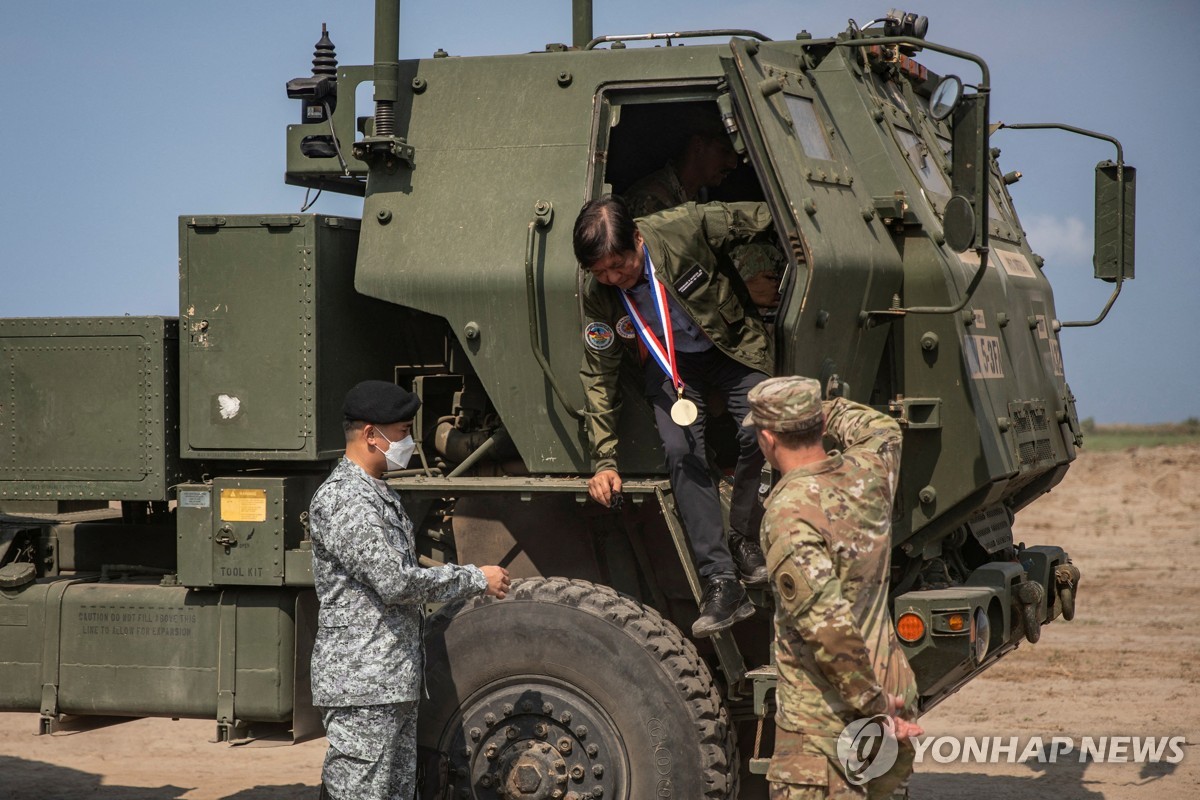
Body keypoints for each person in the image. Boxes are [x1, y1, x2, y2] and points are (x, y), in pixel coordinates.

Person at [575, 194, 773, 638]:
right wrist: (603, 460)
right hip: (671, 365)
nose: (611, 278)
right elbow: (599, 372)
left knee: (761, 425)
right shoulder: (599, 294)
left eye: (618, 266)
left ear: (639, 240)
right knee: (681, 449)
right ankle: (721, 581)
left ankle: (744, 537)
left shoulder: (684, 227)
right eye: (599, 272)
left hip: (730, 347)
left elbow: (760, 217)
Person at [308, 379, 511, 800]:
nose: (409, 442)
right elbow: (395, 581)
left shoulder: (377, 493)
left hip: (388, 682)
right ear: (370, 435)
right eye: (401, 432)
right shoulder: (346, 499)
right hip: (361, 685)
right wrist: (474, 578)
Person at [745, 376, 923, 799]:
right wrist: (824, 407)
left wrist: (874, 707)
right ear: (819, 424)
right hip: (891, 690)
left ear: (768, 439)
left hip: (826, 725)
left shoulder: (789, 513)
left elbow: (829, 629)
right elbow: (884, 429)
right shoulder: (872, 471)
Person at [624, 112, 784, 311]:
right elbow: (662, 283)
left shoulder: (695, 195)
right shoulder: (651, 201)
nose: (732, 164)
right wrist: (742, 292)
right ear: (698, 146)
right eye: (724, 151)